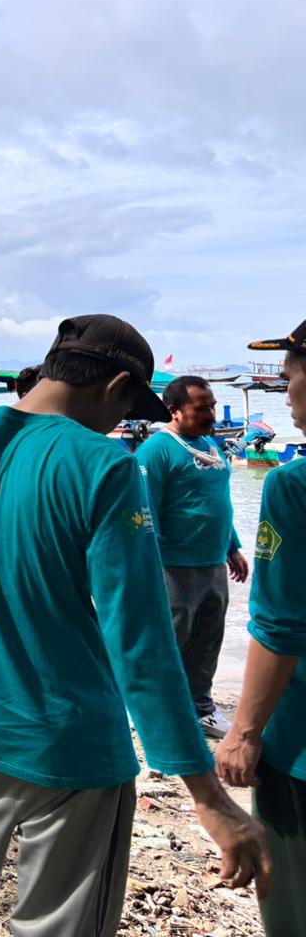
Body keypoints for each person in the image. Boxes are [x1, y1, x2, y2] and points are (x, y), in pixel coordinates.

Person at [0, 315, 270, 936]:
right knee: (60, 922)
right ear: (117, 387)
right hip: (73, 752)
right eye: (128, 407)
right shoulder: (105, 465)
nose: (121, 423)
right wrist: (207, 796)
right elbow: (140, 641)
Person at [215, 320, 306, 936]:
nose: (287, 393)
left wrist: (245, 732)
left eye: (290, 377)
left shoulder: (292, 486)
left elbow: (281, 626)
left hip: (299, 749)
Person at [136, 376, 248, 738]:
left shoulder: (210, 445)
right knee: (171, 641)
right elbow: (145, 512)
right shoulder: (156, 451)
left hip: (213, 562)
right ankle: (155, 712)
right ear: (174, 411)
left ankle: (201, 708)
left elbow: (219, 501)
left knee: (208, 639)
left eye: (212, 406)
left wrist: (232, 546)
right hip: (174, 566)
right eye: (201, 409)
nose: (211, 415)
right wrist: (151, 566)